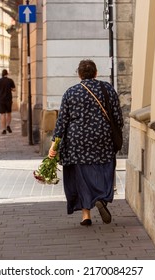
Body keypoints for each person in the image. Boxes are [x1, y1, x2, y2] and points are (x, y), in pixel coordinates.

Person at [48, 59, 123, 226]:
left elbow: (62, 122)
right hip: (102, 137)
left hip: (77, 140)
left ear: (79, 74)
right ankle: (101, 197)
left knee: (79, 177)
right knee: (105, 167)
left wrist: (54, 145)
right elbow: (117, 117)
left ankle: (86, 215)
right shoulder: (107, 89)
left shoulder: (71, 92)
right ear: (96, 73)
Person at [0, 69, 16, 134]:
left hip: (1, 100)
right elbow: (14, 89)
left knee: (3, 114)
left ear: (2, 74)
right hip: (8, 99)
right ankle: (8, 125)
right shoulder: (10, 81)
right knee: (9, 113)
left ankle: (4, 129)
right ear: (7, 74)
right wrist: (9, 88)